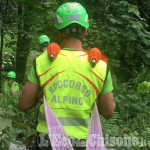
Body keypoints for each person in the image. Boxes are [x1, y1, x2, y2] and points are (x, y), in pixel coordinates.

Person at [19, 2, 115, 150]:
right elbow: (108, 112)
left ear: (58, 31)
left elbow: (24, 104)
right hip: (80, 144)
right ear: (85, 32)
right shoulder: (100, 66)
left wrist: (41, 94)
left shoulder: (42, 61)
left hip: (46, 142)